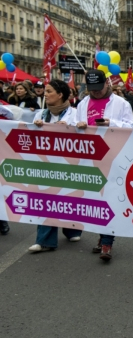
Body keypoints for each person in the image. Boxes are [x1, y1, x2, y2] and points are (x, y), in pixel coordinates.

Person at [75, 69, 133, 262]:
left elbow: (132, 127)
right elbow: (73, 124)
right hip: (90, 154)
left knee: (108, 197)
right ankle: (102, 236)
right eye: (92, 89)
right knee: (95, 198)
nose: (95, 92)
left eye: (99, 89)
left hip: (113, 155)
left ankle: (107, 242)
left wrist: (112, 123)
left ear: (107, 84)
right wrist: (79, 125)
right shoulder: (83, 103)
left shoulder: (121, 103)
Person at [27, 79, 81, 252]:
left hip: (69, 163)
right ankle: (44, 241)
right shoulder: (41, 115)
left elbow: (86, 135)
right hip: (47, 164)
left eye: (49, 91)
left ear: (60, 95)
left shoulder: (75, 114)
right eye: (45, 91)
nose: (45, 94)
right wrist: (36, 129)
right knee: (48, 198)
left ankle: (72, 228)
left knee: (68, 197)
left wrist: (70, 128)